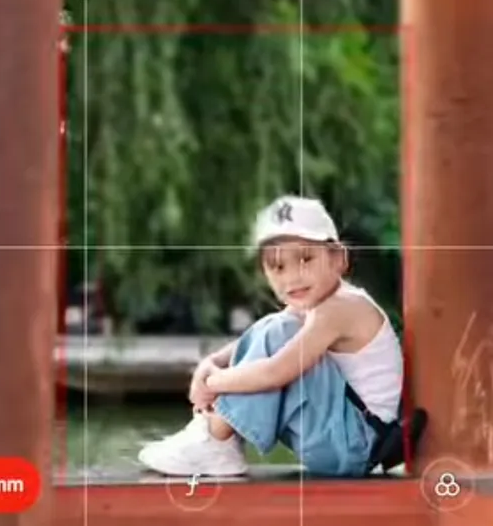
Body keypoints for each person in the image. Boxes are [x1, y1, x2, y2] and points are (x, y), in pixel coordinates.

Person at [137, 195, 404, 478]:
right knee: (275, 325)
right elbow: (258, 337)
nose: (292, 278)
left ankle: (217, 438)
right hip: (341, 440)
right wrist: (211, 362)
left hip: (356, 443)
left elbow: (276, 372)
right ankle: (218, 438)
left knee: (280, 331)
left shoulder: (342, 308)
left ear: (338, 259)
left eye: (305, 259)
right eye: (277, 267)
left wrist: (213, 382)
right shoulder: (316, 307)